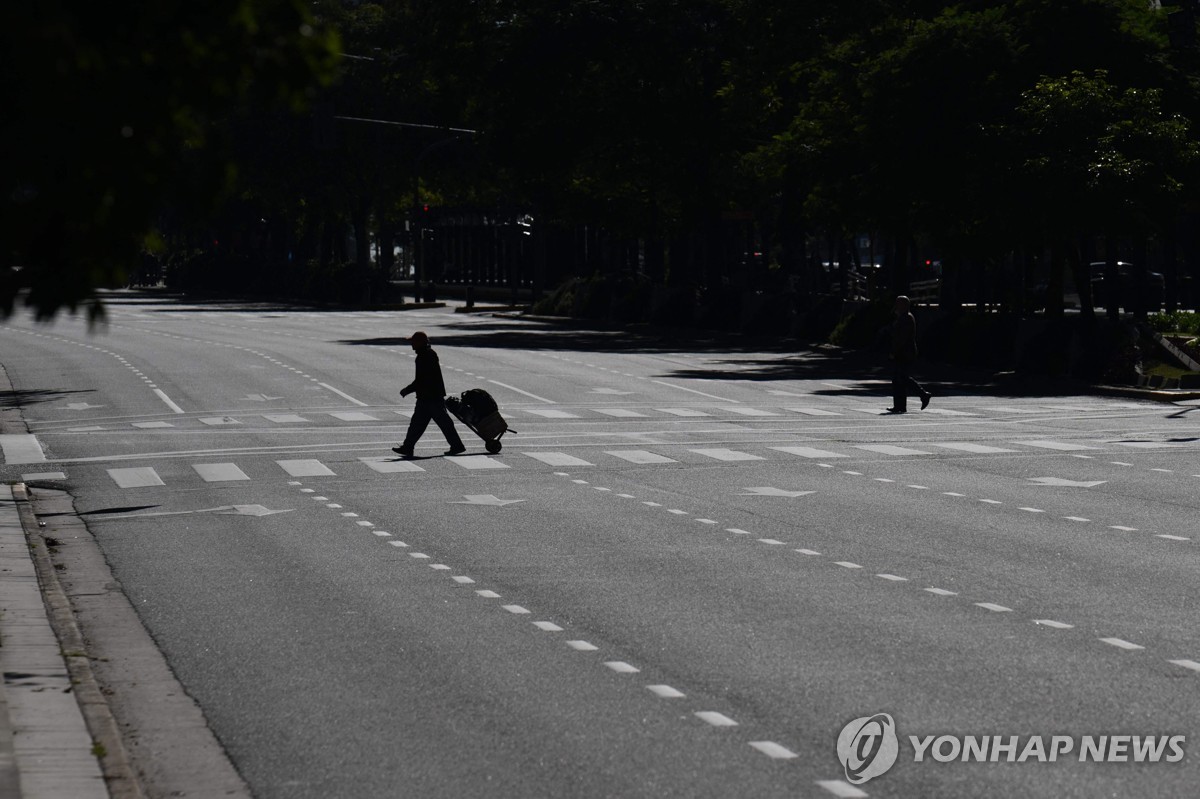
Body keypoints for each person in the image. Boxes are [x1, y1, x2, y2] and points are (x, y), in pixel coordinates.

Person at [393, 331, 467, 456]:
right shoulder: (426, 354)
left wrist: (407, 390)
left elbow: (422, 379)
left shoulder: (425, 356)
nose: (411, 343)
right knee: (418, 424)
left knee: (441, 423)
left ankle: (457, 445)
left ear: (420, 342)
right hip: (428, 396)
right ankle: (408, 447)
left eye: (413, 341)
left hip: (431, 397)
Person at [887, 295, 932, 414]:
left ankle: (923, 394)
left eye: (898, 303)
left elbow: (902, 338)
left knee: (901, 378)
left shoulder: (906, 318)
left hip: (905, 353)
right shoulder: (903, 317)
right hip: (903, 352)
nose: (896, 306)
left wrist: (894, 351)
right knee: (899, 379)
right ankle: (900, 405)